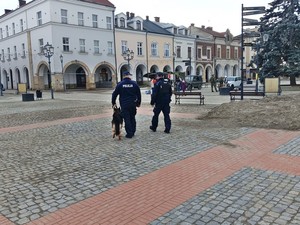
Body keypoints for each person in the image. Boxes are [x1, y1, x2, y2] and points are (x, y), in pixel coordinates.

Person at [112, 71, 141, 138]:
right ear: (129, 76)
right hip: (133, 103)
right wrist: (138, 103)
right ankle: (133, 131)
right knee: (132, 117)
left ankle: (129, 133)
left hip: (124, 104)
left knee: (127, 118)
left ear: (123, 76)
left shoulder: (120, 84)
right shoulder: (134, 84)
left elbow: (114, 94)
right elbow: (139, 94)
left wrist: (113, 102)